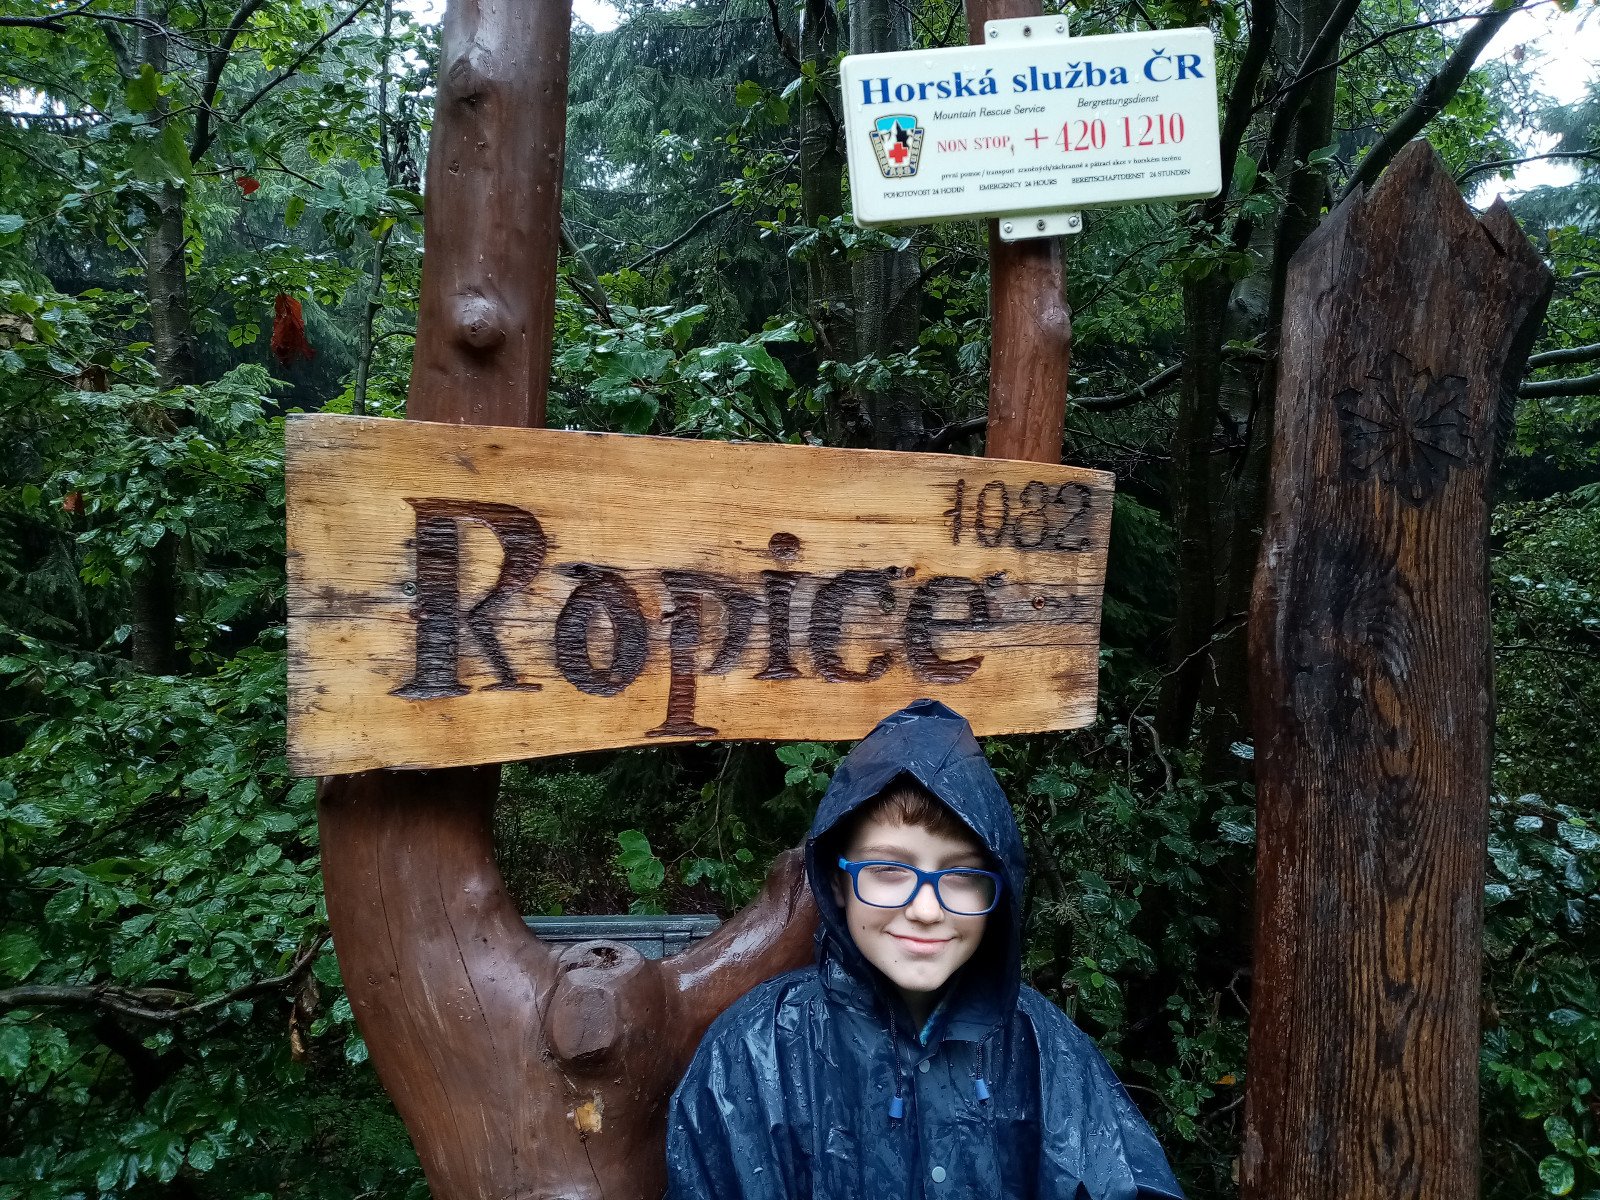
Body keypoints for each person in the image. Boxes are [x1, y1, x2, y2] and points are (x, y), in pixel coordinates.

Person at [666, 698, 1184, 1199]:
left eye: (961, 875)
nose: (926, 909)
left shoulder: (1041, 1046)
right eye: (889, 870)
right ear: (838, 882)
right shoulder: (756, 1051)